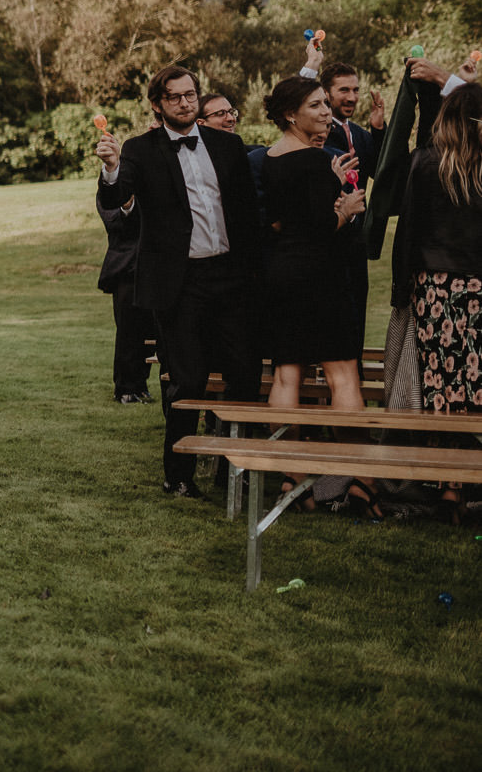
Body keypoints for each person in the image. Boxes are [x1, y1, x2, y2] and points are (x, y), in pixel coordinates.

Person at [95, 65, 262, 499]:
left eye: (190, 95)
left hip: (230, 277)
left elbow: (247, 213)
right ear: (158, 104)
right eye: (175, 97)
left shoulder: (228, 145)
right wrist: (112, 168)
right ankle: (179, 475)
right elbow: (116, 196)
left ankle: (236, 472)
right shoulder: (140, 149)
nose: (185, 103)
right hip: (179, 284)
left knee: (244, 376)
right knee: (187, 380)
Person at [257, 76, 374, 513]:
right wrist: (346, 209)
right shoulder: (311, 159)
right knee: (342, 373)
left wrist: (331, 181)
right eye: (317, 105)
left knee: (288, 373)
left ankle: (290, 476)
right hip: (321, 275)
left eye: (327, 103)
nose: (327, 111)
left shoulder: (270, 158)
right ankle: (358, 475)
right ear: (292, 113)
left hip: (282, 274)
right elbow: (322, 230)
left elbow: (287, 218)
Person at [391, 83, 482, 525]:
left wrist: (400, 289)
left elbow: (408, 229)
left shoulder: (426, 163)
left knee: (444, 385)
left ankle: (450, 487)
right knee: (476, 381)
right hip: (479, 288)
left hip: (435, 288)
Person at [97, 192, 158, 404]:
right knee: (127, 330)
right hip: (126, 270)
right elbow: (112, 221)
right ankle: (124, 388)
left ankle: (141, 385)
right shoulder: (110, 187)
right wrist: (128, 205)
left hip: (153, 268)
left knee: (151, 330)